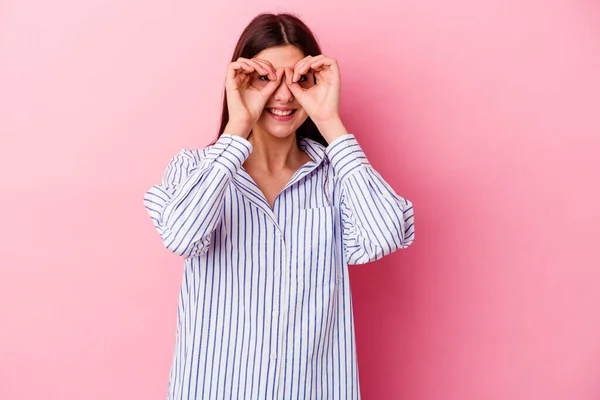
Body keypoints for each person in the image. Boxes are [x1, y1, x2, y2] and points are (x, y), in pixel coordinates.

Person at [143, 12, 415, 400]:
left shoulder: (336, 178)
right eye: (265, 79)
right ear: (240, 84)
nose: (284, 95)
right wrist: (237, 126)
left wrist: (330, 121)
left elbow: (385, 236)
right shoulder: (195, 169)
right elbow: (183, 236)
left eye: (299, 79)